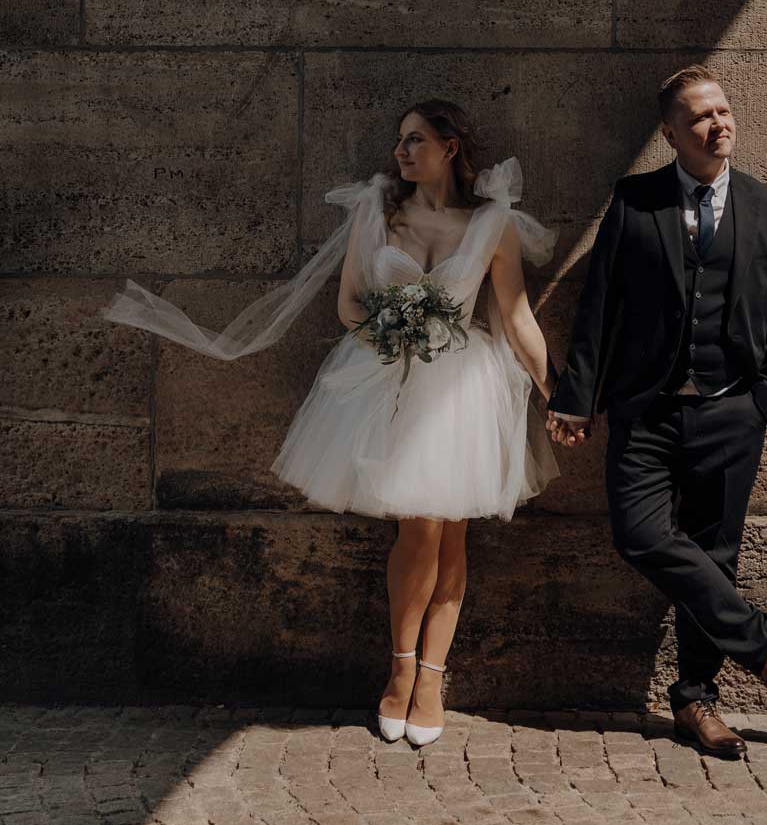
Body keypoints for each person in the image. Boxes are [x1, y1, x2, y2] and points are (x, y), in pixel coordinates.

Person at [103, 99, 559, 748]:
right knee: (421, 532)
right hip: (389, 376)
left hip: (462, 385)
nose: (400, 152)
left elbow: (516, 319)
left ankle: (430, 677)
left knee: (451, 534)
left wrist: (558, 395)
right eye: (398, 141)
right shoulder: (379, 210)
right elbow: (349, 305)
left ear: (450, 148)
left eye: (415, 140)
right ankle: (400, 673)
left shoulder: (492, 225)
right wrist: (396, 324)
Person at [546, 65, 767, 758]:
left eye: (723, 111)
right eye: (699, 117)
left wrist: (766, 398)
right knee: (639, 535)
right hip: (647, 410)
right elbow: (600, 307)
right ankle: (764, 639)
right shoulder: (636, 201)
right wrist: (577, 396)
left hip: (732, 412)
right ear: (670, 134)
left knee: (716, 556)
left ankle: (696, 701)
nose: (718, 123)